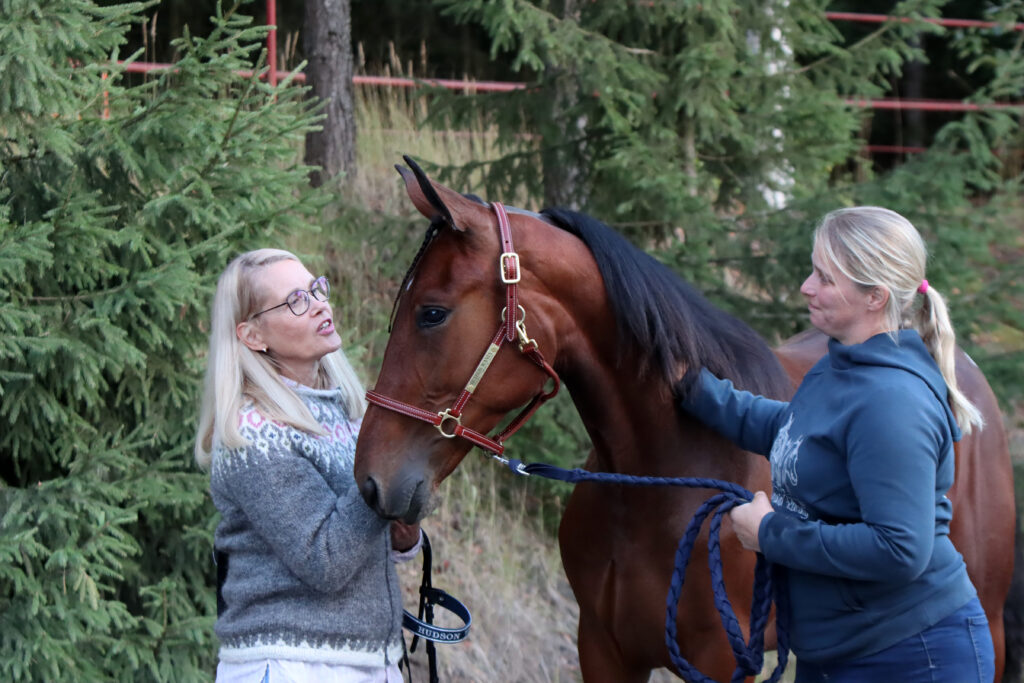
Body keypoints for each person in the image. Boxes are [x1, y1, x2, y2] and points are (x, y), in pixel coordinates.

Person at [676, 207, 995, 682]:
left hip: (913, 657)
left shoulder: (892, 402)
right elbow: (800, 436)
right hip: (842, 652)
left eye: (825, 277)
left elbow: (899, 550)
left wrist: (769, 534)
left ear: (874, 297)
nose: (806, 286)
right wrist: (695, 390)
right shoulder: (842, 363)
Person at [194, 248, 421, 683]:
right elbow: (325, 558)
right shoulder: (251, 434)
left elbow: (372, 534)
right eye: (296, 300)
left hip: (371, 662)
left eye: (316, 288)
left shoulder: (348, 412)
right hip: (290, 665)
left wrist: (405, 525)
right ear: (252, 336)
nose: (319, 303)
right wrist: (382, 464)